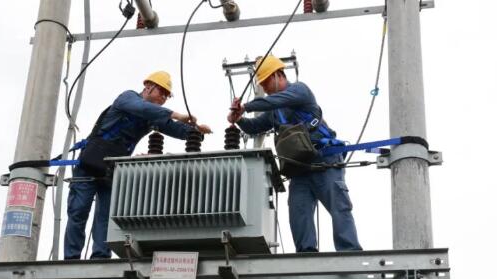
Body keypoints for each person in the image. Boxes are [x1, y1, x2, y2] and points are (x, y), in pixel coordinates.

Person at [64, 71, 212, 259]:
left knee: (106, 216)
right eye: (162, 93)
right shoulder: (127, 98)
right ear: (148, 86)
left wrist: (196, 130)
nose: (164, 99)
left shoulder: (153, 116)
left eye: (167, 96)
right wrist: (176, 114)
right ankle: (71, 257)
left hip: (111, 169)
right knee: (78, 211)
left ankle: (100, 256)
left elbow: (174, 128)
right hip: (90, 164)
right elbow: (143, 109)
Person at [227, 55, 361, 253]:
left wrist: (246, 106)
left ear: (278, 75)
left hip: (325, 160)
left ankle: (349, 251)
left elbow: (275, 100)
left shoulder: (299, 91)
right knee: (298, 212)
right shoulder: (275, 112)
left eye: (265, 82)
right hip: (299, 169)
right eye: (261, 84)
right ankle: (306, 253)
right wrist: (239, 119)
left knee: (338, 206)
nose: (264, 88)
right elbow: (255, 126)